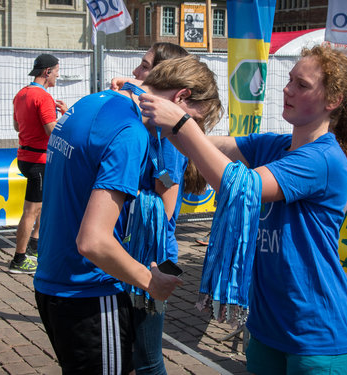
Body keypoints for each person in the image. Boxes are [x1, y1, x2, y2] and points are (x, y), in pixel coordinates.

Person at [139, 46, 347, 374]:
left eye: (301, 85)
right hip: (266, 327)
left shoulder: (324, 159)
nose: (287, 89)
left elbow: (241, 186)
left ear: (332, 100)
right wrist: (154, 104)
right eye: (289, 80)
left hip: (318, 334)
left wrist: (181, 124)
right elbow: (209, 145)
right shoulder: (274, 146)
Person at [34, 55, 221, 374]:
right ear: (181, 97)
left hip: (56, 280)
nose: (185, 134)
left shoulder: (94, 102)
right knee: (148, 360)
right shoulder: (131, 132)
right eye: (190, 121)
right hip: (92, 288)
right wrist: (152, 282)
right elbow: (93, 241)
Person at [118, 43, 215, 375]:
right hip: (140, 254)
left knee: (147, 355)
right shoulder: (151, 128)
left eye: (145, 68)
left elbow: (165, 210)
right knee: (130, 349)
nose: (136, 74)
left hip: (158, 257)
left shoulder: (167, 136)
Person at [9, 54, 67, 274]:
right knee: (31, 211)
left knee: (43, 204)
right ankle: (18, 259)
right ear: (47, 72)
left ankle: (34, 245)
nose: (58, 75)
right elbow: (52, 131)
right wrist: (66, 118)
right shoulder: (43, 98)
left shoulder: (21, 94)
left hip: (26, 157)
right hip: (38, 160)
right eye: (57, 71)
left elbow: (16, 126)